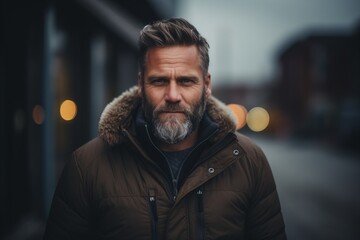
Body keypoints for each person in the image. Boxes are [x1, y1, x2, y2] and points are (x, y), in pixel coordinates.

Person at [44, 18, 286, 239]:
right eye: (159, 81)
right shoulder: (87, 167)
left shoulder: (249, 162)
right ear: (140, 84)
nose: (172, 95)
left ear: (207, 84)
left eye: (186, 81)